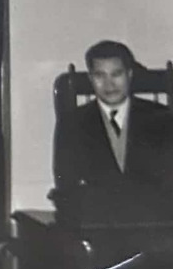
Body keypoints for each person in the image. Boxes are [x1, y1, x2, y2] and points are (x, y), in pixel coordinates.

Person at [52, 39, 173, 208]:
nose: (109, 84)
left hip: (154, 216)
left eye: (116, 74)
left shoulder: (162, 118)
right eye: (100, 75)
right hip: (94, 218)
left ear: (129, 74)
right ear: (90, 78)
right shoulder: (72, 124)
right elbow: (67, 185)